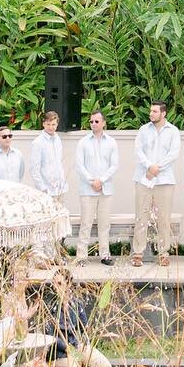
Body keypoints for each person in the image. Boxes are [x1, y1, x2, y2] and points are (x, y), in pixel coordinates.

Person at [43, 267, 116, 367]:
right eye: (54, 283)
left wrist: (83, 342)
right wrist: (67, 347)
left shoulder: (76, 303)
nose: (56, 286)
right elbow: (49, 336)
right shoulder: (50, 306)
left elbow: (84, 326)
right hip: (60, 352)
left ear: (68, 284)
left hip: (77, 346)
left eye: (60, 283)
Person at [131, 100, 181, 268]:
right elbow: (138, 151)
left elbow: (173, 154)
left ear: (163, 113)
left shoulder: (173, 131)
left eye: (154, 111)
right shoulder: (143, 130)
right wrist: (149, 166)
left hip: (164, 180)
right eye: (150, 111)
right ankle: (138, 253)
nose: (151, 114)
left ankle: (163, 253)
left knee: (163, 218)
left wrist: (157, 167)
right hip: (144, 178)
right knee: (141, 216)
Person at [74, 110, 118, 265]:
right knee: (86, 223)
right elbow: (79, 166)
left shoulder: (111, 142)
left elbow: (114, 165)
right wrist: (92, 181)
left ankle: (105, 255)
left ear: (104, 123)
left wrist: (102, 181)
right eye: (91, 121)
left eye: (96, 121)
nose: (93, 124)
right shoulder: (83, 142)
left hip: (105, 190)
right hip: (87, 189)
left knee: (104, 224)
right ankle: (81, 257)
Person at [29, 108, 68, 211]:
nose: (51, 127)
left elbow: (58, 163)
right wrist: (43, 189)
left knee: (60, 221)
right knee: (48, 223)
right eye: (48, 124)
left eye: (53, 124)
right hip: (47, 191)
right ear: (43, 124)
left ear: (57, 124)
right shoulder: (38, 143)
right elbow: (34, 169)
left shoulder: (58, 139)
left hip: (61, 190)